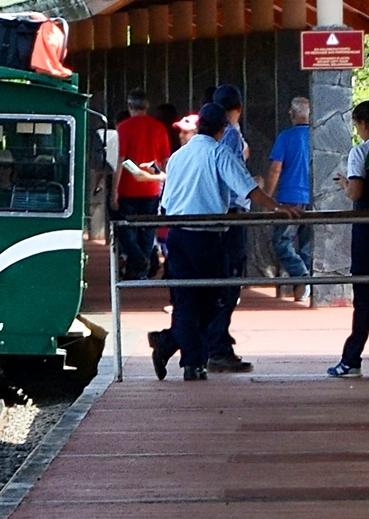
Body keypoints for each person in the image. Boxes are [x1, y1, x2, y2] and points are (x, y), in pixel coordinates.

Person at [151, 101, 258, 380]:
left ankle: (190, 360)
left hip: (178, 234)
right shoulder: (219, 153)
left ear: (199, 126)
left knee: (187, 301)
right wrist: (278, 207)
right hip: (207, 237)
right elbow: (246, 187)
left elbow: (167, 201)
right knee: (217, 298)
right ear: (223, 129)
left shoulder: (178, 157)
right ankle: (177, 347)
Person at [330, 99, 369, 378]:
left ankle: (352, 357)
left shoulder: (360, 152)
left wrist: (344, 183)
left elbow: (356, 192)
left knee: (364, 296)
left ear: (364, 124)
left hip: (368, 230)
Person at [209, 83, 254, 371]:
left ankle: (217, 338)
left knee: (216, 281)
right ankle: (217, 345)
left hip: (215, 217)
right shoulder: (232, 136)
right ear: (238, 108)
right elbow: (236, 179)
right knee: (230, 280)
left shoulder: (205, 141)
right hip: (232, 216)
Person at [107, 93, 172, 280]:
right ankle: (142, 270)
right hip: (152, 187)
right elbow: (166, 160)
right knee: (147, 229)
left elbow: (119, 162)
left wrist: (114, 192)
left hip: (128, 188)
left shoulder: (124, 128)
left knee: (125, 229)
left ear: (129, 106)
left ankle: (139, 260)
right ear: (147, 105)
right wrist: (165, 183)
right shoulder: (159, 128)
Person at [261, 92, 316, 300]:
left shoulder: (286, 137)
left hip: (289, 197)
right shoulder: (316, 135)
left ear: (292, 114)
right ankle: (304, 287)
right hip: (311, 197)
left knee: (281, 242)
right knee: (307, 244)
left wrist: (268, 197)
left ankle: (301, 276)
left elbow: (275, 169)